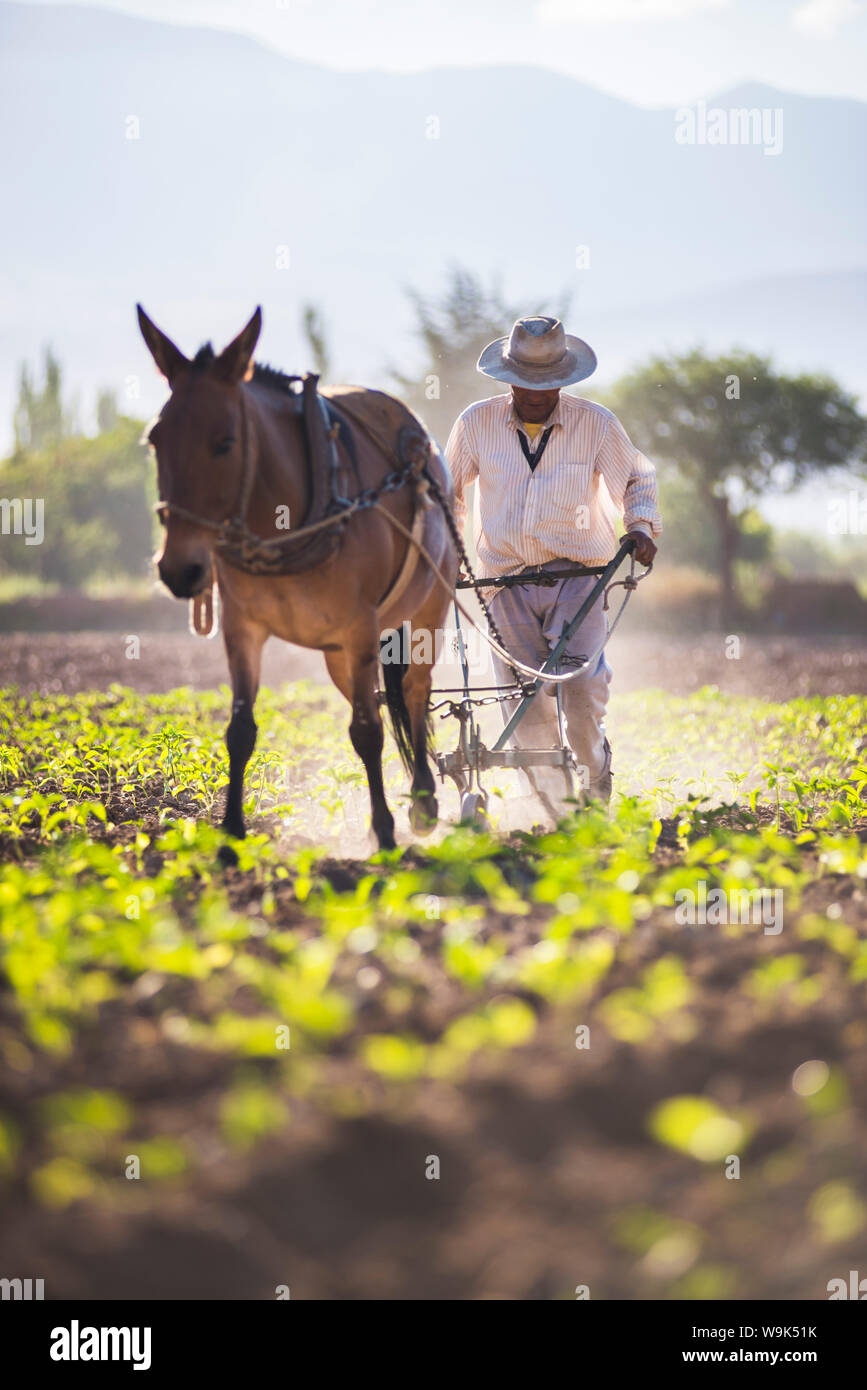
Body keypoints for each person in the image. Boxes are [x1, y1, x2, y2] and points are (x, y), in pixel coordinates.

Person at [445, 315, 661, 817]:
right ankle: (555, 809)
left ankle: (595, 775)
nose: (537, 393)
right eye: (526, 382)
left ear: (564, 379)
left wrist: (642, 528)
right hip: (503, 582)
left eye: (548, 384)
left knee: (580, 688)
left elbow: (637, 479)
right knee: (524, 702)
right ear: (508, 377)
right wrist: (450, 548)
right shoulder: (475, 424)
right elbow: (447, 492)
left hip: (579, 579)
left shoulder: (596, 424)